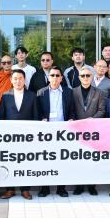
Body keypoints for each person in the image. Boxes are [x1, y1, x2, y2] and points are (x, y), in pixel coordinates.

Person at [37, 66, 76, 198]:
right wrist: (41, 119)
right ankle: (45, 188)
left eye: (57, 75)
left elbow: (72, 110)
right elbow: (37, 111)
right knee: (45, 160)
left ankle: (61, 188)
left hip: (63, 133)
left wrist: (71, 119)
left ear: (61, 78)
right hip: (46, 133)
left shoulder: (68, 92)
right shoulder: (41, 92)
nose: (54, 77)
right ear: (48, 78)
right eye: (52, 75)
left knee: (62, 160)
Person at [0, 70, 37, 200]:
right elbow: (1, 116)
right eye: (15, 78)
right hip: (10, 137)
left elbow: (35, 116)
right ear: (11, 80)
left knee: (26, 163)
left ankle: (25, 190)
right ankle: (9, 189)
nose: (18, 81)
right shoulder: (5, 95)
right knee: (9, 162)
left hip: (27, 137)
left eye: (20, 78)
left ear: (24, 80)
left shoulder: (32, 95)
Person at [71, 67, 106, 196]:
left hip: (93, 131)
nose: (85, 78)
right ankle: (79, 186)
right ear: (79, 77)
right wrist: (75, 121)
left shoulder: (100, 92)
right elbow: (71, 109)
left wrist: (93, 119)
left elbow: (102, 110)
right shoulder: (73, 92)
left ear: (92, 77)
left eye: (88, 75)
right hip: (77, 131)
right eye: (83, 75)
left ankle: (92, 186)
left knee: (92, 159)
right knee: (78, 159)